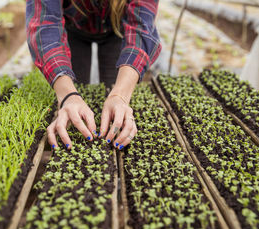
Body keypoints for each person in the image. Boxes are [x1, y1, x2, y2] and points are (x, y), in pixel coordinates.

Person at [26, 0, 161, 150]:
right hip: (73, 29)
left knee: (115, 100)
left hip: (116, 30)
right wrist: (67, 96)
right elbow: (45, 25)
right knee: (75, 101)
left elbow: (142, 27)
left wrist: (120, 96)